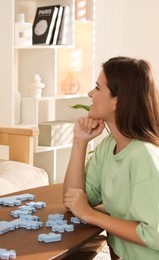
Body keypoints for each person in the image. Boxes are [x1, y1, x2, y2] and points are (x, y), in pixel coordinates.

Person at [63, 56, 159, 259]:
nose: (90, 93)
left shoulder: (144, 155)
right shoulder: (109, 146)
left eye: (97, 88)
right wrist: (80, 142)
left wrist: (90, 214)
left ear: (118, 100)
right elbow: (72, 199)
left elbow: (153, 235)